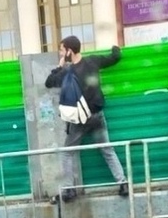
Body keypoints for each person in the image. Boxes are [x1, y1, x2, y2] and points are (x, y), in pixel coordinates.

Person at [45, 35, 128, 202]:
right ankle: (123, 183)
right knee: (107, 150)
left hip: (80, 121)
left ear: (69, 51)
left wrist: (58, 67)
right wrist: (115, 46)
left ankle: (69, 190)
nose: (61, 54)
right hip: (97, 116)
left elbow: (49, 82)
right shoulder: (93, 61)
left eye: (62, 50)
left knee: (68, 153)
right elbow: (115, 57)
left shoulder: (66, 72)